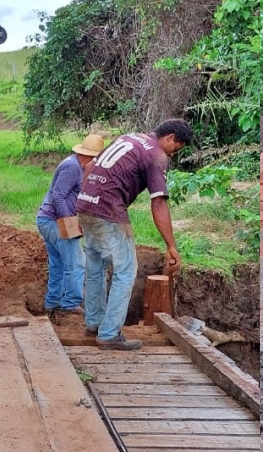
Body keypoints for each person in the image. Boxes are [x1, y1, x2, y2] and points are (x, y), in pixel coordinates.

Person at [75, 119, 193, 351]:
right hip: (109, 211)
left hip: (86, 204)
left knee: (96, 266)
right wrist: (171, 245)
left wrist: (85, 204)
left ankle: (94, 323)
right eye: (176, 148)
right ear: (170, 137)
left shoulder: (128, 137)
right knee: (126, 270)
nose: (173, 155)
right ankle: (109, 334)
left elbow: (89, 168)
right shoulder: (156, 156)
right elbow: (158, 202)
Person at [36, 134, 106, 318]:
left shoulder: (77, 165)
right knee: (76, 263)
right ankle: (70, 303)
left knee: (58, 263)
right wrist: (69, 222)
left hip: (48, 219)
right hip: (54, 221)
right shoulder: (72, 167)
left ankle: (53, 302)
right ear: (91, 156)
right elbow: (58, 194)